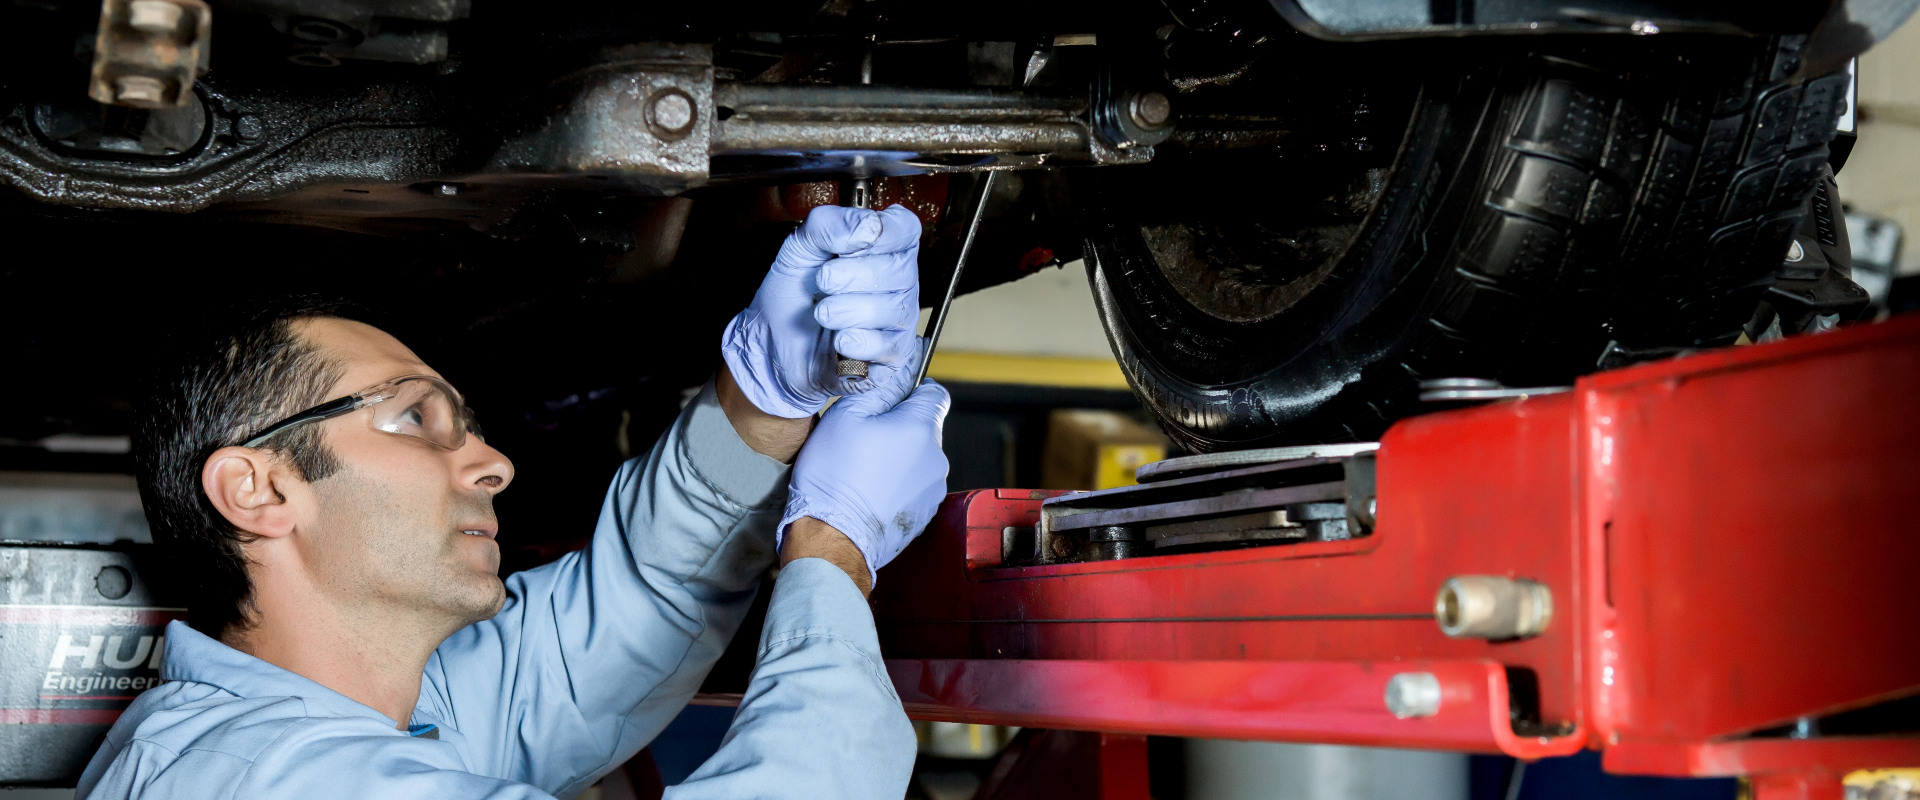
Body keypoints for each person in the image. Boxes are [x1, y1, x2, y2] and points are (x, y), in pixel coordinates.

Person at [77, 205, 947, 799]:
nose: (494, 463)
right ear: (259, 489)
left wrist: (761, 400)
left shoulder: (391, 711)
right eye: (416, 417)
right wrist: (833, 548)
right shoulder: (271, 780)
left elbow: (648, 593)